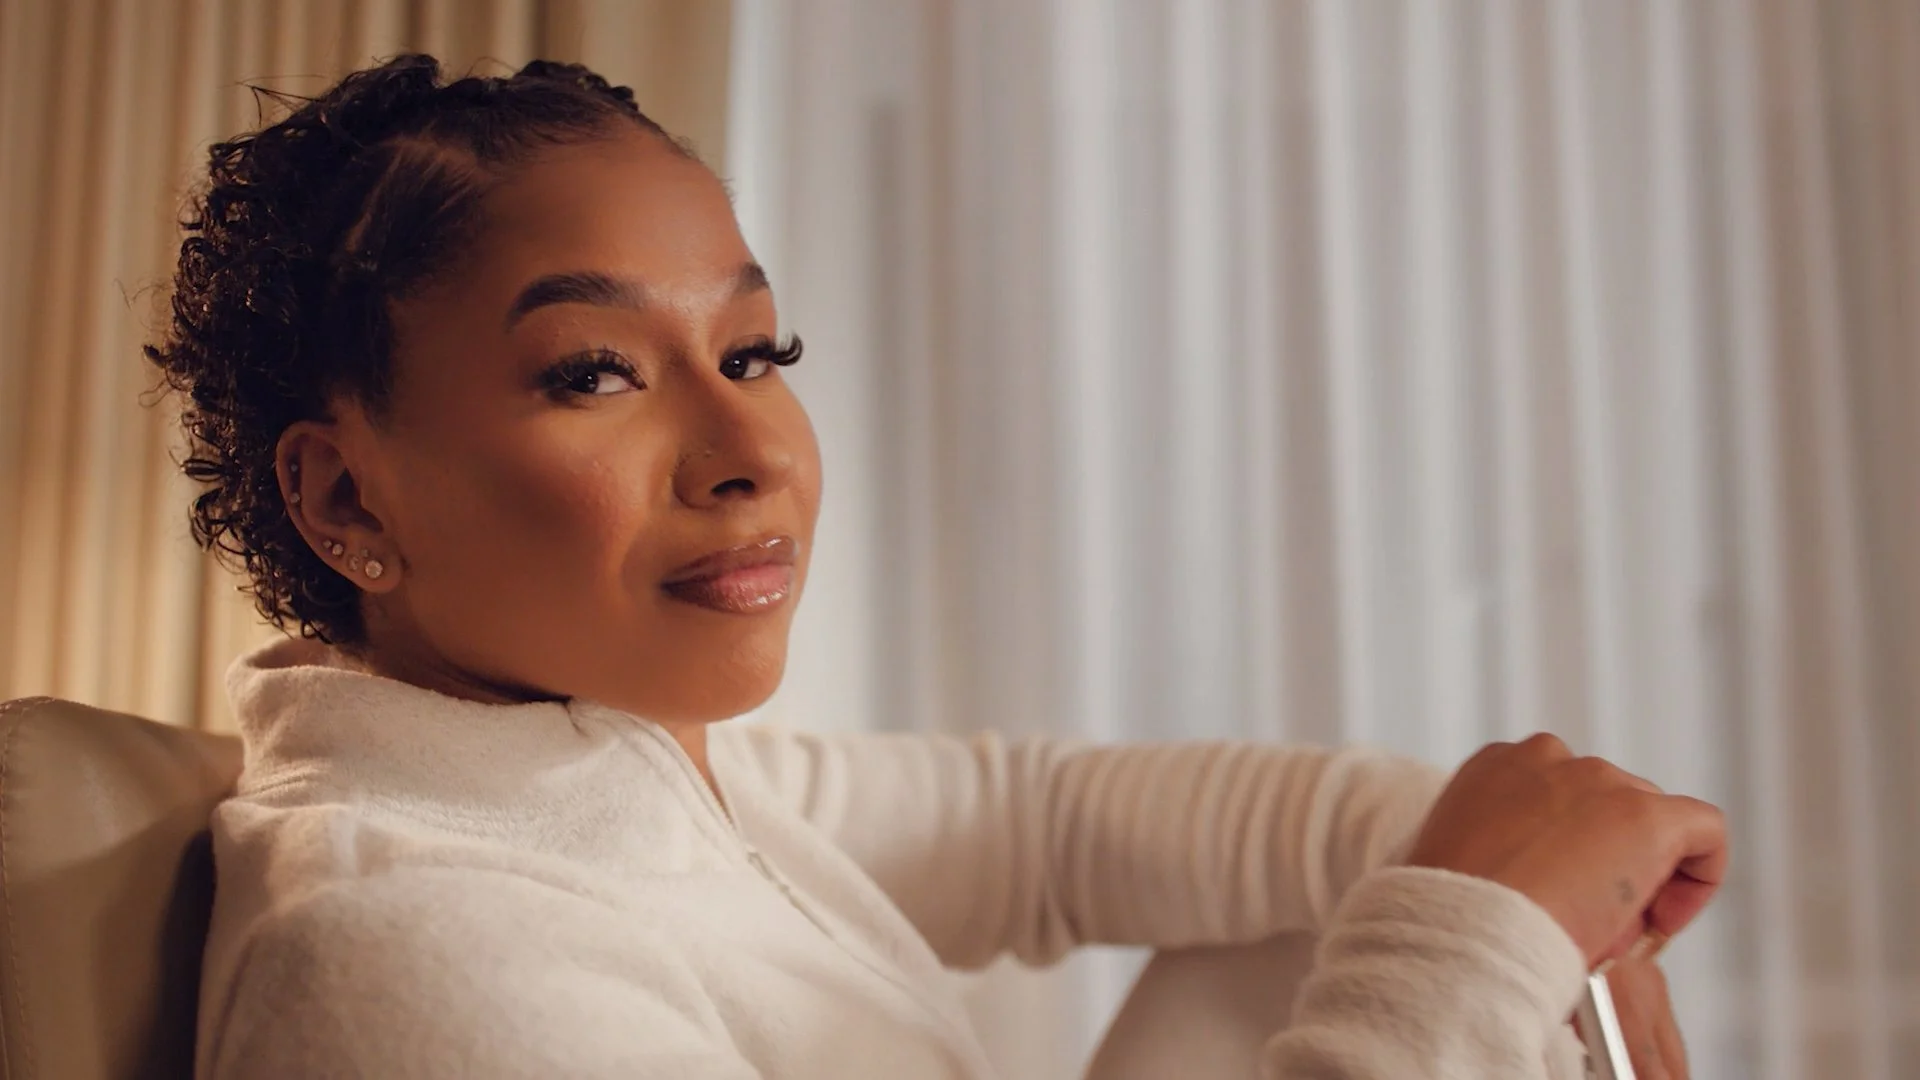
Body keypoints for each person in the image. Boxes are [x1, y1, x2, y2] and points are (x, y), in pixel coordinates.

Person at [146, 55, 1722, 1079]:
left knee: (1322, 912)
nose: (748, 448)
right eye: (596, 373)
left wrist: (1540, 885)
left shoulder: (636, 794)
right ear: (346, 494)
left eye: (756, 349)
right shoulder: (407, 955)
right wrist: (1479, 935)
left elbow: (1043, 825)